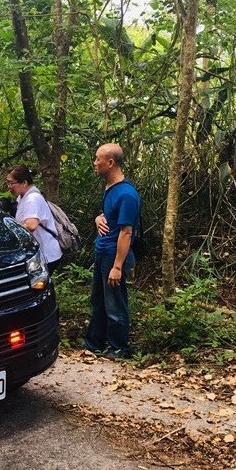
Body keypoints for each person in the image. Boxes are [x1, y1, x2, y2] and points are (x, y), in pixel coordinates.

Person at [84, 143, 141, 359]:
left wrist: (117, 266)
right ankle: (94, 343)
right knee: (98, 300)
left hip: (114, 256)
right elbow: (111, 216)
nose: (95, 163)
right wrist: (98, 217)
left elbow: (126, 232)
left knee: (115, 303)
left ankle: (120, 348)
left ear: (110, 163)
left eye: (98, 159)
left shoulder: (126, 194)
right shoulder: (111, 189)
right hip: (103, 251)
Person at [5, 165, 62, 268]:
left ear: (24, 183)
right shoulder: (22, 197)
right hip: (40, 253)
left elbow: (31, 225)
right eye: (8, 182)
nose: (9, 186)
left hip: (47, 254)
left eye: (11, 183)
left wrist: (10, 232)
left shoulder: (32, 199)